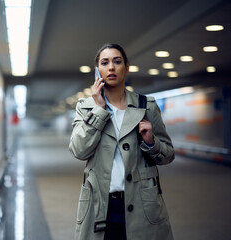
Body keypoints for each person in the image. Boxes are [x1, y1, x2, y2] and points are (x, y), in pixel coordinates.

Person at [69, 43, 175, 240]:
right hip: (101, 205)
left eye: (117, 62)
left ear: (126, 68)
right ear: (97, 71)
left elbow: (168, 155)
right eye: (105, 63)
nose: (111, 67)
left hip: (143, 204)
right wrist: (99, 111)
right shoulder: (86, 108)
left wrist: (151, 142)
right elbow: (78, 150)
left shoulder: (146, 106)